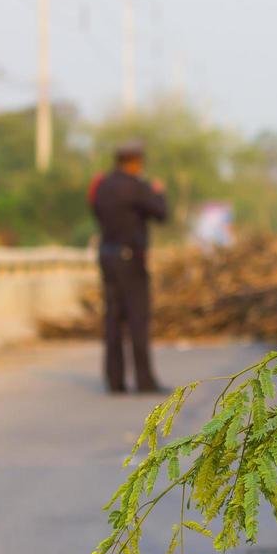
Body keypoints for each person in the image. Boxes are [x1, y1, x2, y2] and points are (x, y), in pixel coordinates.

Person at [90, 140, 168, 394]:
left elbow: (95, 211)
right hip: (131, 259)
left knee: (112, 318)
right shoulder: (136, 187)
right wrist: (158, 191)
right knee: (137, 318)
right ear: (136, 162)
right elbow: (161, 213)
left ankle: (115, 381)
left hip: (106, 255)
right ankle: (144, 380)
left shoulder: (102, 185)